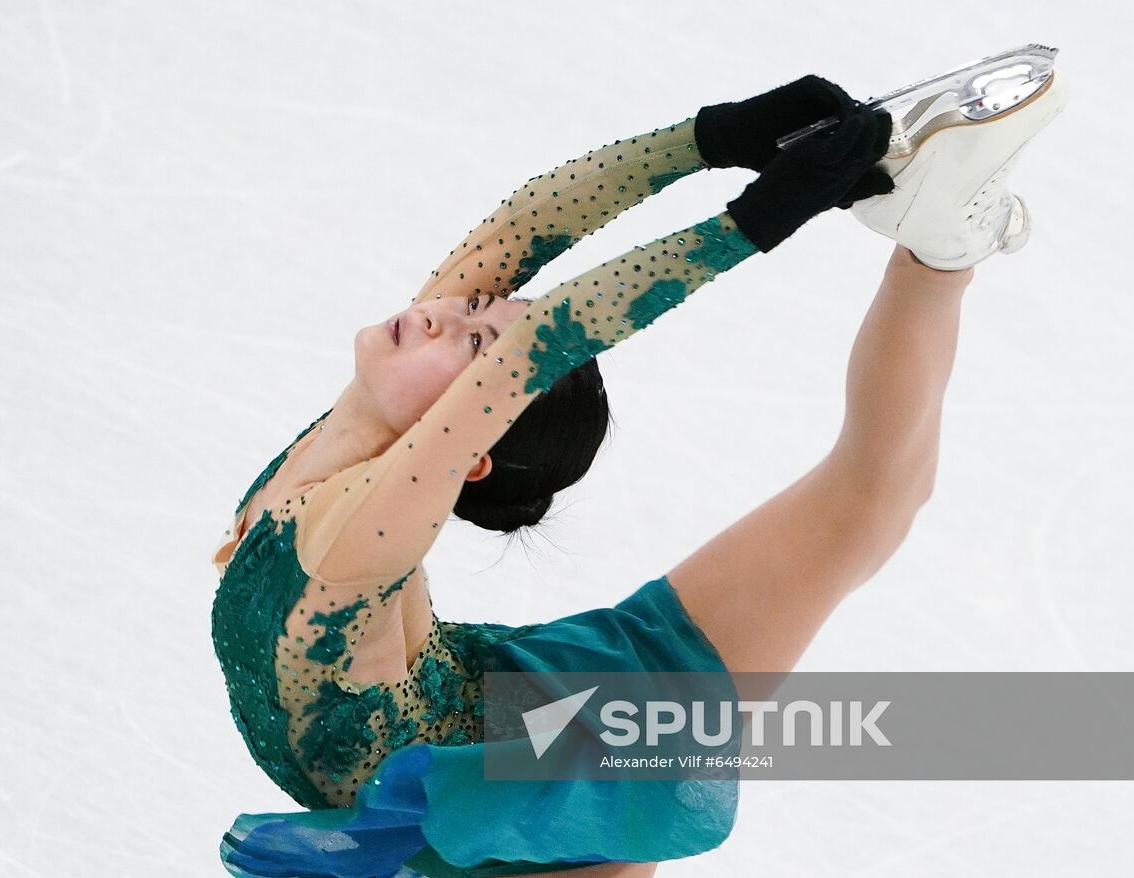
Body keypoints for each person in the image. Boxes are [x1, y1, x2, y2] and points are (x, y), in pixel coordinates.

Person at [209, 70, 1070, 877]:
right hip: (508, 759)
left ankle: (941, 244)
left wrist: (754, 215)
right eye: (470, 310)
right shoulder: (364, 428)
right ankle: (945, 244)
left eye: (477, 348)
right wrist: (711, 141)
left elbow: (553, 339)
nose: (437, 312)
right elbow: (529, 227)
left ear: (469, 444)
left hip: (522, 770)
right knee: (874, 501)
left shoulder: (360, 521)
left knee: (871, 499)